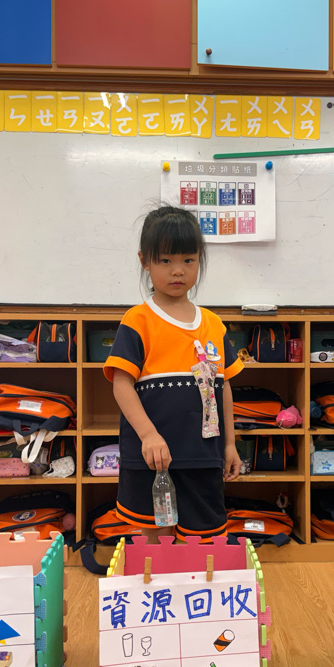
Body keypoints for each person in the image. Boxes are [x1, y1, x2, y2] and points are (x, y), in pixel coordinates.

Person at [104, 206, 243, 541]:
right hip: (153, 459)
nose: (177, 270)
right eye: (165, 260)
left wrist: (230, 444)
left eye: (188, 260)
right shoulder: (137, 320)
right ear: (144, 261)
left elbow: (223, 387)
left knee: (204, 542)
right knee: (157, 541)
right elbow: (121, 385)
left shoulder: (213, 324)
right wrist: (149, 436)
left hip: (203, 457)